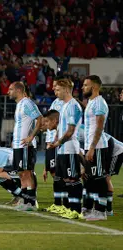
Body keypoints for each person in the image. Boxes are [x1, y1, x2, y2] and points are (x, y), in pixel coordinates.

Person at [48, 78, 83, 219]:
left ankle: (77, 210)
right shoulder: (64, 106)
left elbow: (70, 131)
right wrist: (56, 140)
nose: (55, 91)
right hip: (63, 149)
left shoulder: (74, 106)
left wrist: (58, 143)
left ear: (66, 89)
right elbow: (61, 129)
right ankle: (69, 208)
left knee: (73, 179)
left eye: (58, 89)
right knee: (66, 180)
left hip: (69, 148)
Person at [8, 81, 42, 211]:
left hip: (26, 146)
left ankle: (31, 202)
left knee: (27, 173)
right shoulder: (20, 105)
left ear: (18, 90)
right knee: (21, 174)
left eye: (10, 89)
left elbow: (39, 119)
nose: (8, 92)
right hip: (18, 145)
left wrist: (31, 137)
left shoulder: (27, 103)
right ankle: (25, 200)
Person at [81, 75, 110, 221]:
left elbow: (99, 127)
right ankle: (94, 208)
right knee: (91, 179)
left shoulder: (99, 103)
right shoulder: (91, 102)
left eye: (86, 85)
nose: (82, 87)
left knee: (99, 179)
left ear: (94, 87)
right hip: (90, 146)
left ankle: (101, 211)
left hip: (97, 146)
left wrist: (92, 147)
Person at [0, 136, 34, 207]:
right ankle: (18, 196)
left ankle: (24, 197)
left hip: (26, 176)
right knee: (0, 176)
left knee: (0, 177)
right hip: (21, 173)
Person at [42, 80, 67, 213]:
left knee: (61, 174)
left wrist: (57, 140)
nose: (54, 89)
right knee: (54, 173)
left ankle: (64, 203)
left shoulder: (67, 104)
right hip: (51, 142)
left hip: (58, 143)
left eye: (56, 88)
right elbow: (50, 121)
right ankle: (58, 203)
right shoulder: (55, 102)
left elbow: (60, 124)